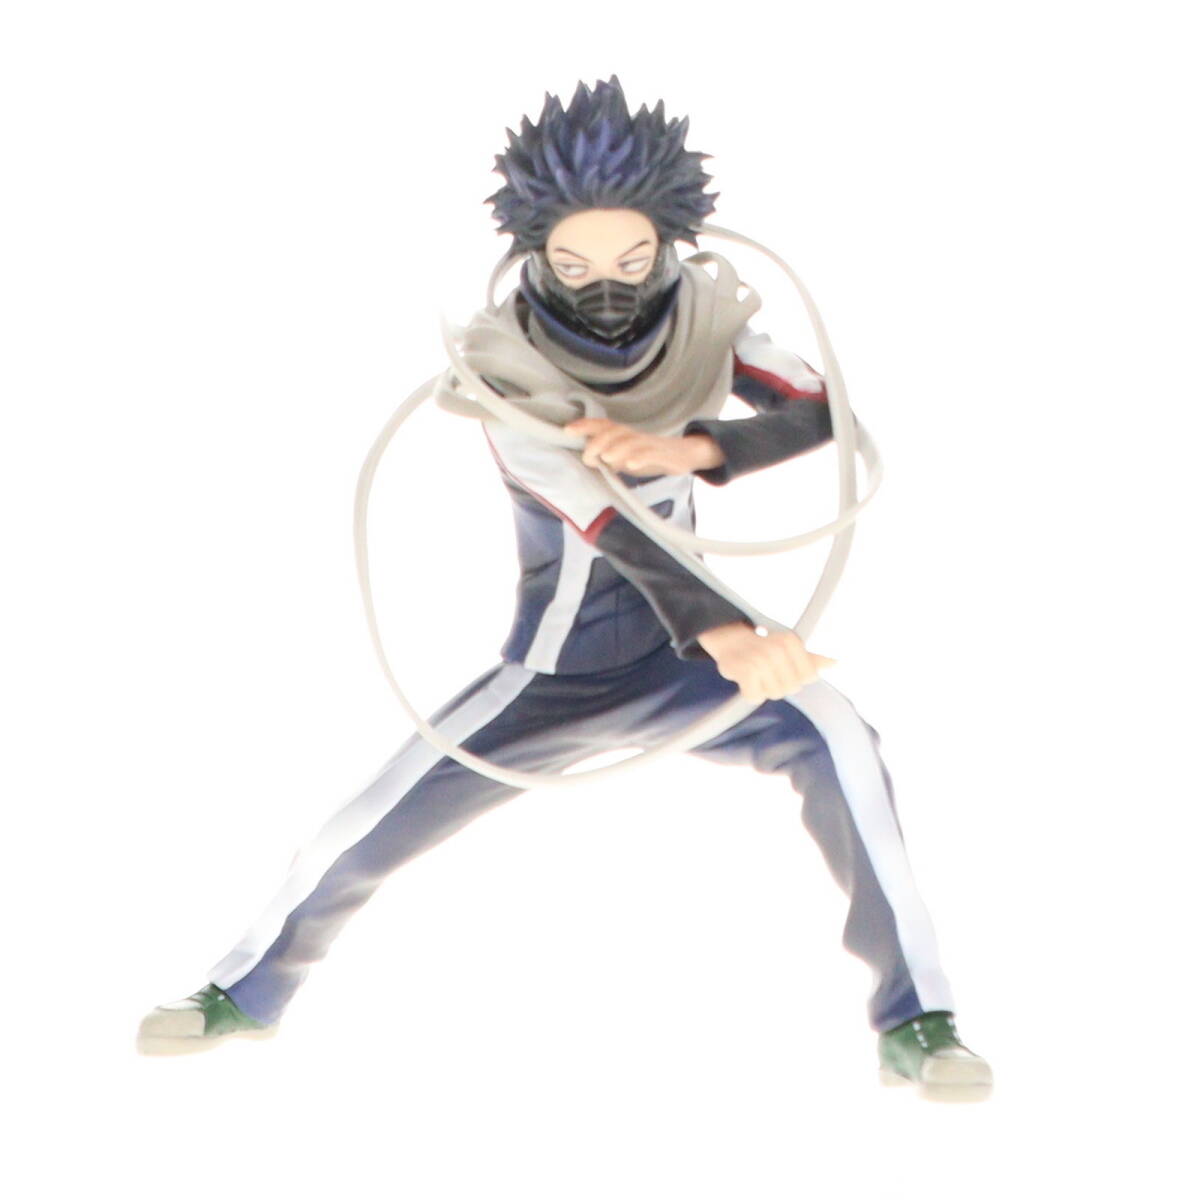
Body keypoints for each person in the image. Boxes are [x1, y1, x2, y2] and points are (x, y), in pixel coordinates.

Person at [138, 77, 991, 1103]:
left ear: (666, 241)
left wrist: (693, 445)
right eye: (577, 263)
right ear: (537, 251)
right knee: (364, 823)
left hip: (687, 666)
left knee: (842, 738)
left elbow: (823, 412)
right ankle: (242, 991)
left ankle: (918, 1020)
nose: (607, 289)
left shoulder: (705, 322)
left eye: (632, 260)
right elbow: (608, 524)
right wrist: (730, 635)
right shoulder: (502, 370)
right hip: (557, 670)